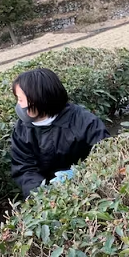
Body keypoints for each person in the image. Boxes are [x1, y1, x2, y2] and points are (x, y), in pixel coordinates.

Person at [10, 68, 109, 198]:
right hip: (47, 195)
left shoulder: (84, 122)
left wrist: (80, 174)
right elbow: (24, 168)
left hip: (87, 188)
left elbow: (105, 155)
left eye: (21, 100)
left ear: (39, 99)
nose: (18, 105)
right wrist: (41, 192)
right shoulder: (22, 129)